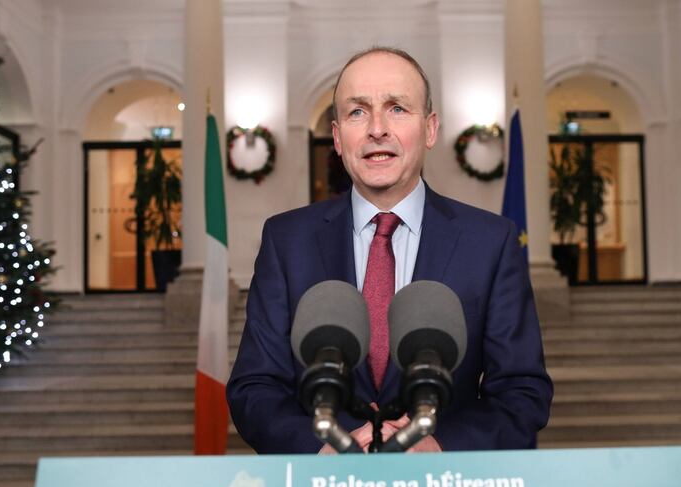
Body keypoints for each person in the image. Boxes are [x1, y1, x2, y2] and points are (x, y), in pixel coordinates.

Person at [227, 47, 552, 454]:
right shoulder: (285, 240)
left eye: (397, 108)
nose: (377, 129)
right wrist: (320, 448)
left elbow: (523, 392)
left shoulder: (491, 242)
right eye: (357, 112)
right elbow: (254, 387)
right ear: (337, 137)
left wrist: (442, 445)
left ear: (430, 129)